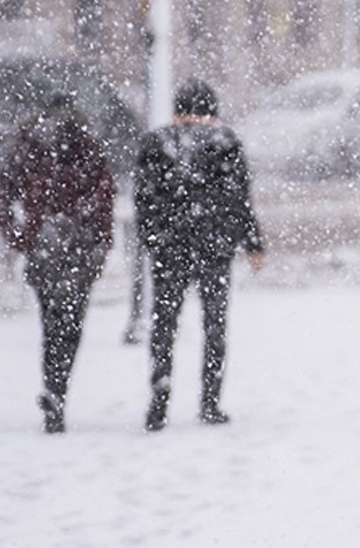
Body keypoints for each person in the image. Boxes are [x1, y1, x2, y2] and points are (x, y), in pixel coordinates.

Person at [135, 78, 265, 432]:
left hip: (170, 248)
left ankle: (159, 393)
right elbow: (239, 200)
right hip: (214, 248)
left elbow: (143, 200)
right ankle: (210, 400)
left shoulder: (155, 143)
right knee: (214, 325)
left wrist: (154, 239)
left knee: (164, 323)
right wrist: (252, 242)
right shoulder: (224, 142)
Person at [0, 94, 115, 434]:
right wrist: (101, 241)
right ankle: (59, 389)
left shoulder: (28, 147)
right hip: (80, 245)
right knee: (71, 325)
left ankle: (53, 388)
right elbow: (104, 198)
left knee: (51, 323)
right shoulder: (87, 147)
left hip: (43, 245)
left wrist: (21, 236)